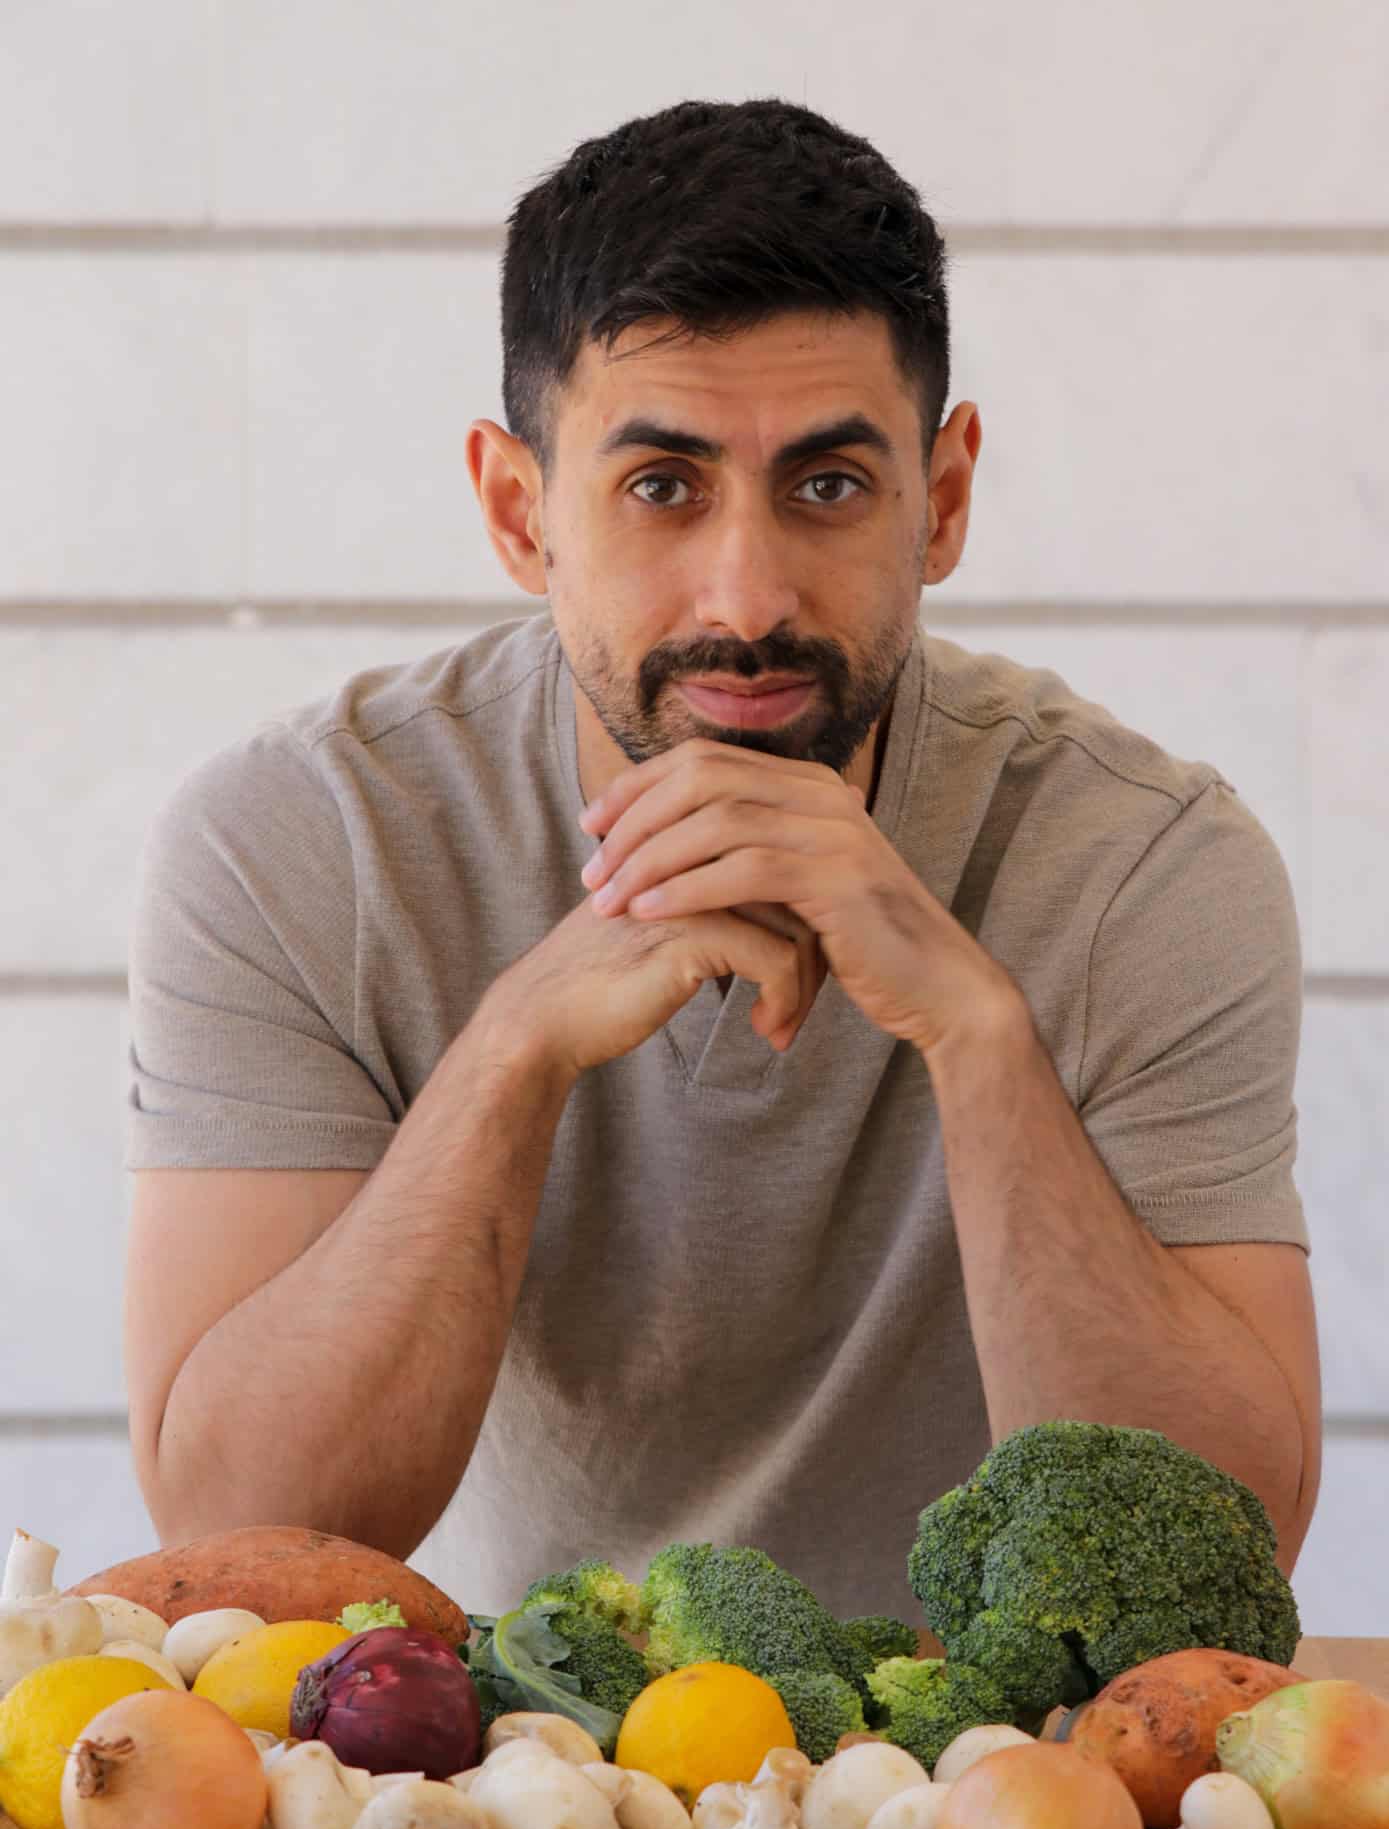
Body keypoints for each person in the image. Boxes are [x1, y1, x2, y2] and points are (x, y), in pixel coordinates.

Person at [122, 99, 1320, 1623]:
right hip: (510, 1777)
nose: (746, 592)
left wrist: (975, 1035)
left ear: (939, 501)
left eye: (827, 484)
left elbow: (1216, 1553)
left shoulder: (1145, 860)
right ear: (518, 511)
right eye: (659, 486)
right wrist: (513, 1049)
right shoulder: (302, 838)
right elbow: (237, 1533)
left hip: (1017, 1775)